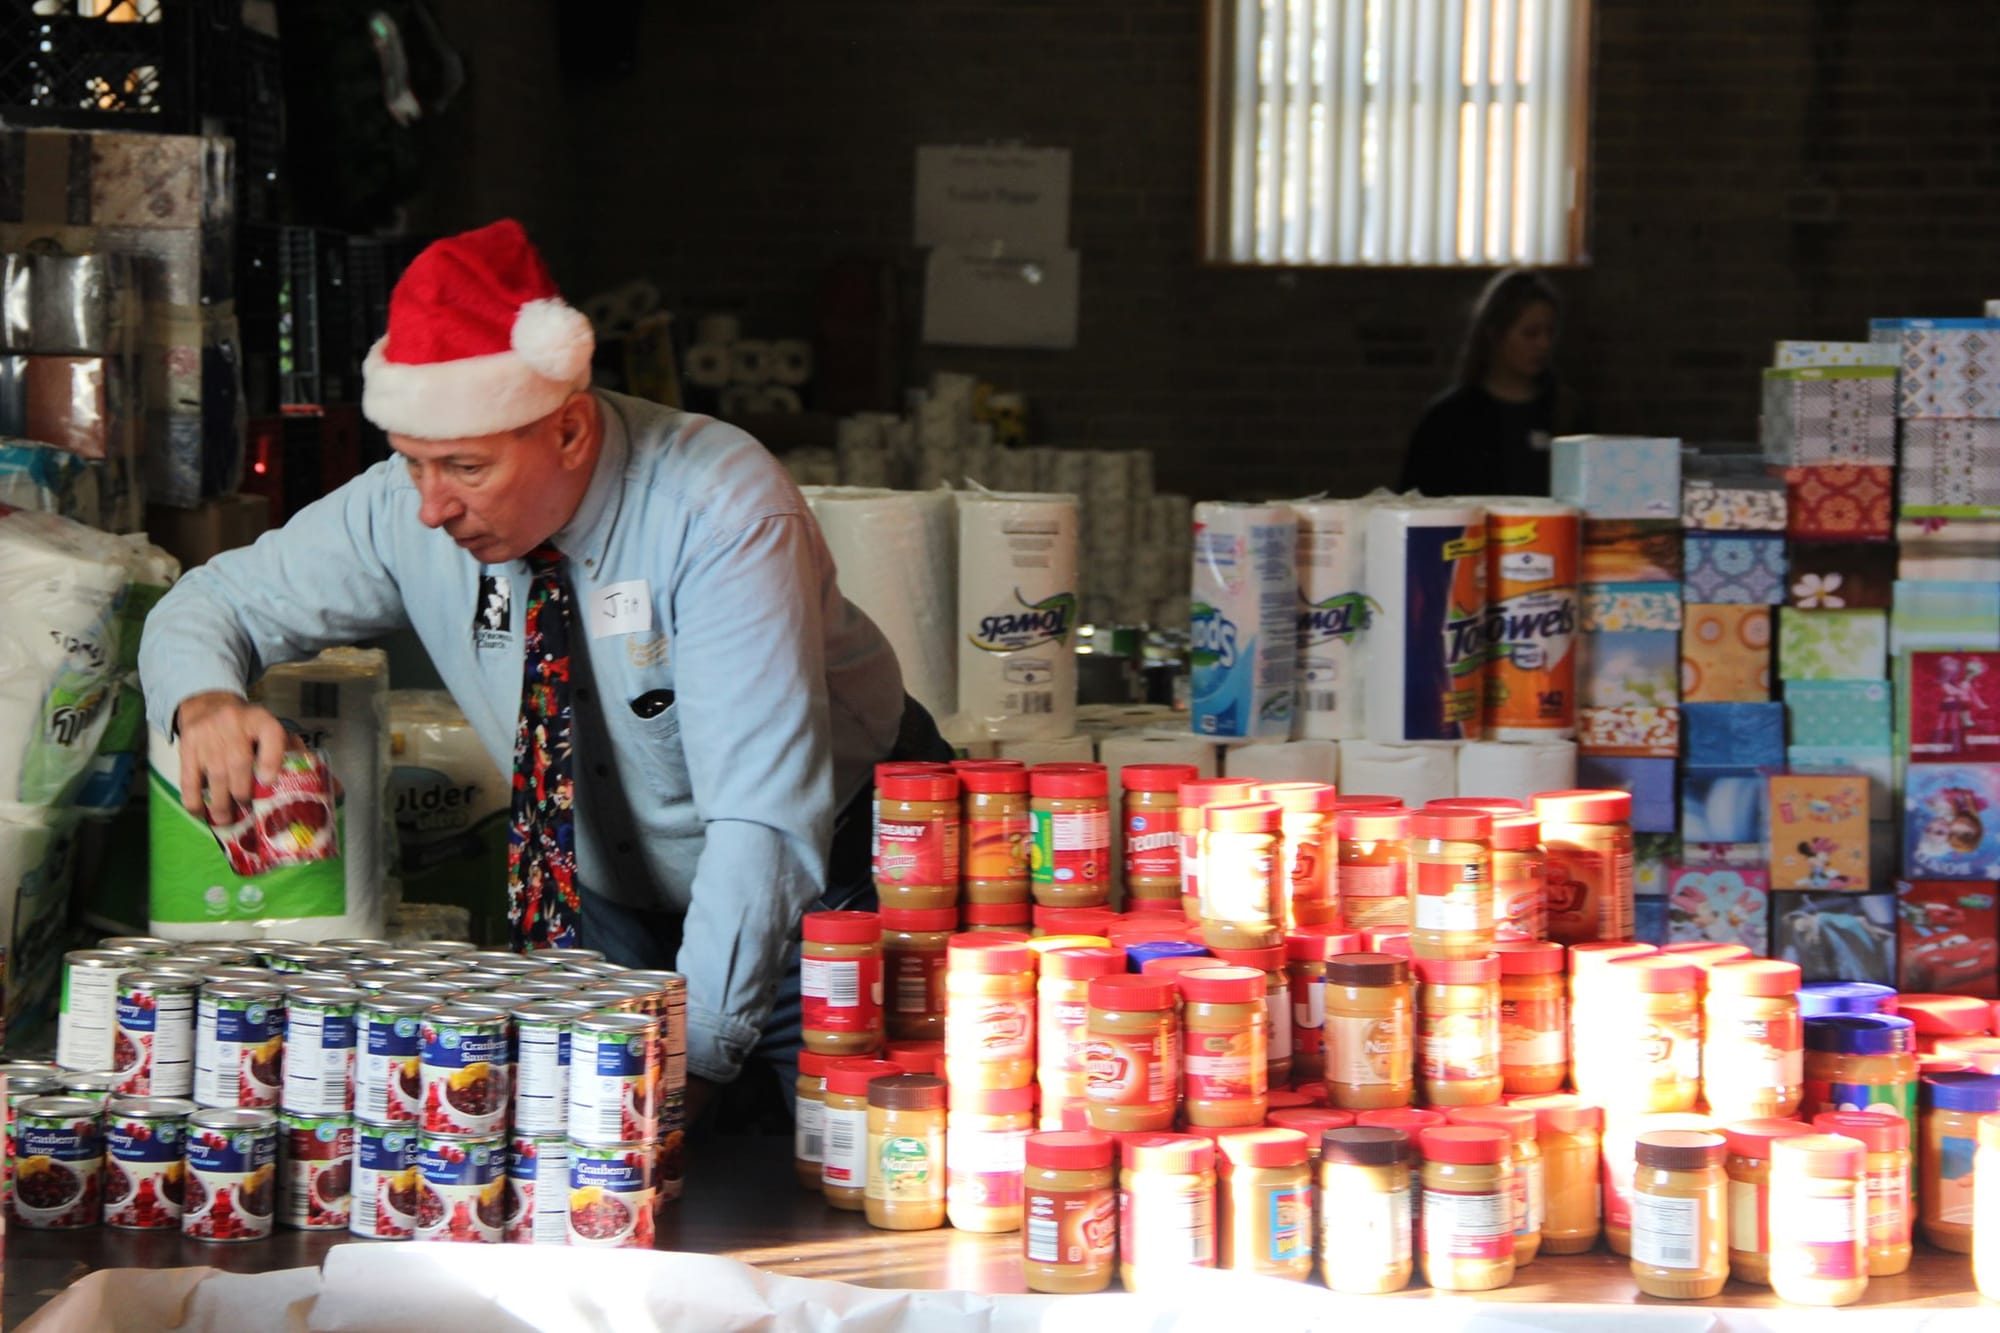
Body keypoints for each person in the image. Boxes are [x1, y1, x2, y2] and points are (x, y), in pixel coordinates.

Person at [138, 219, 950, 1118]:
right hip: (606, 899)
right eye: (411, 465)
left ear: (569, 430)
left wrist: (686, 1059)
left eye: (466, 467)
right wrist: (204, 699)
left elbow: (762, 823)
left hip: (828, 892)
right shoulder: (411, 506)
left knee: (820, 1180)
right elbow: (207, 600)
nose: (433, 506)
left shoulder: (717, 509)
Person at [1398, 267, 1567, 498]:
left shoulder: (1565, 412)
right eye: (1530, 333)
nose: (1543, 344)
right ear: (1495, 333)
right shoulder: (1448, 418)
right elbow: (1415, 499)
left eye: (1550, 333)